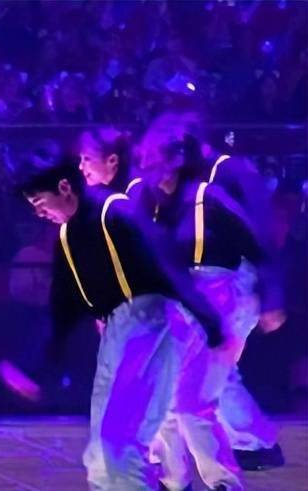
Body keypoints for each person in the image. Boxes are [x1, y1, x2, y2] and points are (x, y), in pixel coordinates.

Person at [19, 162, 224, 490]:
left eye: (40, 202)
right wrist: (45, 359)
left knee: (119, 435)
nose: (39, 213)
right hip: (116, 326)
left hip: (145, 318)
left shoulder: (114, 211)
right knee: (102, 446)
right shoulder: (69, 234)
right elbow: (64, 303)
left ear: (64, 188)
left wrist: (207, 318)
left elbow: (163, 263)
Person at [138, 112, 286, 472]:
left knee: (210, 371)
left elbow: (260, 235)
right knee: (205, 372)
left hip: (233, 281)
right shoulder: (177, 192)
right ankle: (246, 441)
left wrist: (271, 295)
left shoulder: (224, 177)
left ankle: (250, 442)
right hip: (205, 287)